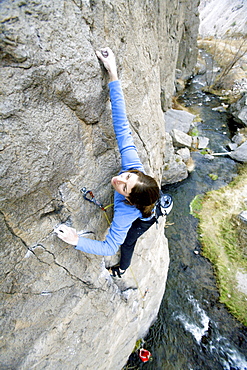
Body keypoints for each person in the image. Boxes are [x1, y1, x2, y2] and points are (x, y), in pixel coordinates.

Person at [55, 47, 161, 277]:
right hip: (144, 196)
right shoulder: (133, 166)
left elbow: (109, 246)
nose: (119, 179)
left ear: (129, 199)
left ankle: (122, 268)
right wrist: (112, 72)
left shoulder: (126, 213)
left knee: (128, 242)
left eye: (124, 186)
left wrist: (76, 240)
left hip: (144, 218)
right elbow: (122, 125)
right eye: (127, 176)